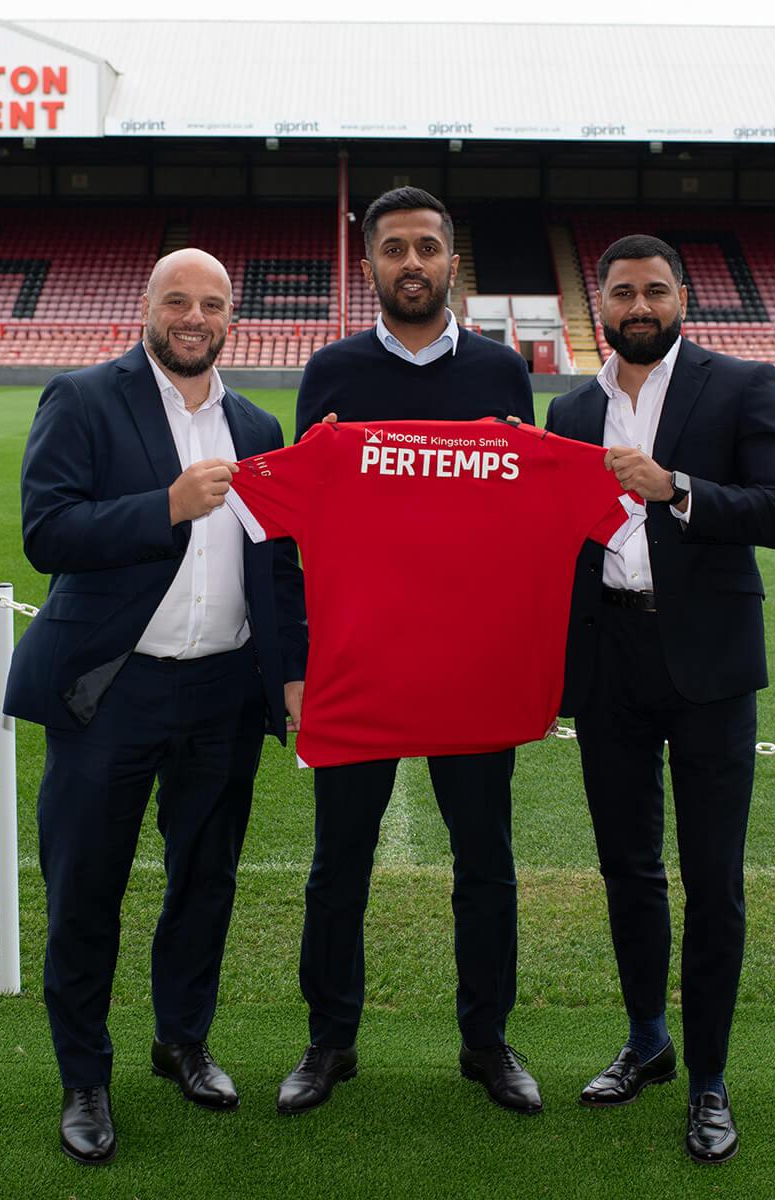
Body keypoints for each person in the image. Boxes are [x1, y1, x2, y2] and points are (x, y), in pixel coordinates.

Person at [2, 247, 307, 1165]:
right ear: (148, 308)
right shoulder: (85, 398)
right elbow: (45, 531)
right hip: (114, 687)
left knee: (204, 882)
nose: (193, 317)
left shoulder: (256, 423)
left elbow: (277, 564)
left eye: (211, 304)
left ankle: (182, 1040)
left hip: (223, 688)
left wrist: (289, 675)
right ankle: (84, 1076)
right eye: (178, 300)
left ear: (230, 320)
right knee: (86, 888)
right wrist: (164, 505)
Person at [276, 186, 541, 1116]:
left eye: (429, 246)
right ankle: (329, 1042)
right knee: (337, 859)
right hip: (360, 661)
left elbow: (521, 520)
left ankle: (486, 1042)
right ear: (370, 266)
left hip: (469, 665)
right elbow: (303, 520)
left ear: (453, 263)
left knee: (486, 862)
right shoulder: (332, 372)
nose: (413, 262)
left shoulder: (505, 373)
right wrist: (300, 665)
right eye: (395, 248)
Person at [545, 234, 775, 1165]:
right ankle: (648, 1039)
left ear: (683, 298)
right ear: (600, 306)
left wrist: (678, 489)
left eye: (655, 291)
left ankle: (708, 1079)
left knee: (713, 881)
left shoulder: (742, 385)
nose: (639, 307)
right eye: (622, 293)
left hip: (708, 665)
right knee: (627, 867)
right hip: (608, 660)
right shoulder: (571, 408)